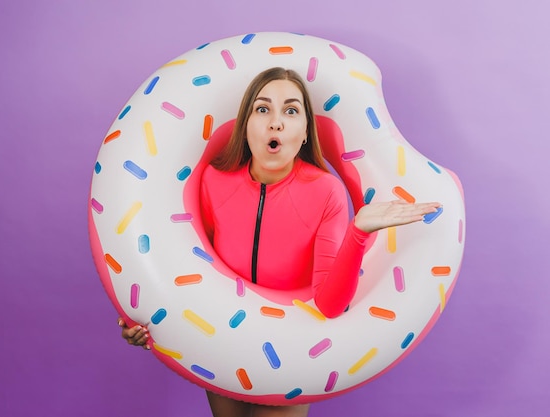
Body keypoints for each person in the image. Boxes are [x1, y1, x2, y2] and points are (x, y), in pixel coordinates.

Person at [118, 67, 441, 417]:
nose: (276, 122)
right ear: (246, 125)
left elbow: (330, 304)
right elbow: (187, 268)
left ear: (304, 133)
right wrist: (145, 317)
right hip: (223, 342)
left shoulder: (325, 192)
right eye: (262, 109)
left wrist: (359, 231)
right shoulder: (213, 180)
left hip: (289, 348)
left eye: (290, 111)